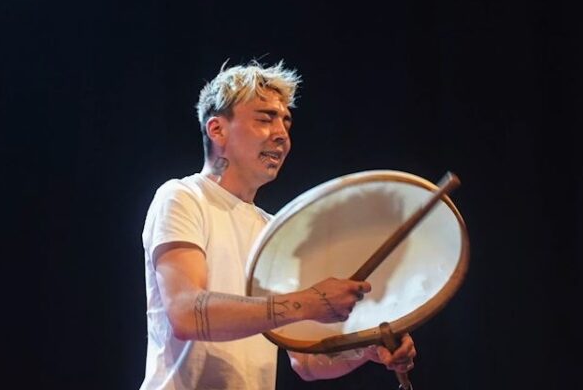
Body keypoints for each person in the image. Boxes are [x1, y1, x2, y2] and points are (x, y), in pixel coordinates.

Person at [140, 61, 416, 389]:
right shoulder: (183, 196)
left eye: (286, 122)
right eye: (265, 119)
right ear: (217, 130)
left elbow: (307, 361)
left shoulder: (274, 231)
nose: (282, 134)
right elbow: (185, 312)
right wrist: (307, 302)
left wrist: (366, 349)